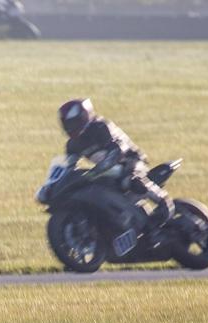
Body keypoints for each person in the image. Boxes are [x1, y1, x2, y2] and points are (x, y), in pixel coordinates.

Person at [58, 98, 175, 243]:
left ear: (84, 117)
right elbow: (69, 166)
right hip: (108, 172)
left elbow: (117, 150)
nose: (70, 128)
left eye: (73, 123)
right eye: (67, 124)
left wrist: (95, 171)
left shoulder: (100, 127)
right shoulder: (72, 144)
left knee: (131, 181)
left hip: (131, 162)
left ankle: (163, 201)